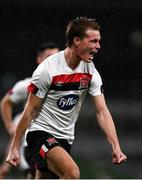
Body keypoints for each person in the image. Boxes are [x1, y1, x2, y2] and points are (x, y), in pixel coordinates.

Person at [6, 17, 127, 179]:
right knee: (72, 172)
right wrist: (14, 147)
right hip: (40, 134)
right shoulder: (47, 70)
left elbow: (102, 112)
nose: (98, 46)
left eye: (98, 42)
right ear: (77, 41)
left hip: (65, 139)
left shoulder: (91, 72)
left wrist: (116, 147)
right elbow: (30, 110)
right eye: (93, 41)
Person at [0, 42, 59, 179]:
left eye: (57, 57)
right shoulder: (28, 85)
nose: (54, 61)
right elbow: (6, 102)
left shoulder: (65, 85)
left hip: (57, 141)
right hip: (34, 146)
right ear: (39, 59)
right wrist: (10, 126)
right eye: (49, 56)